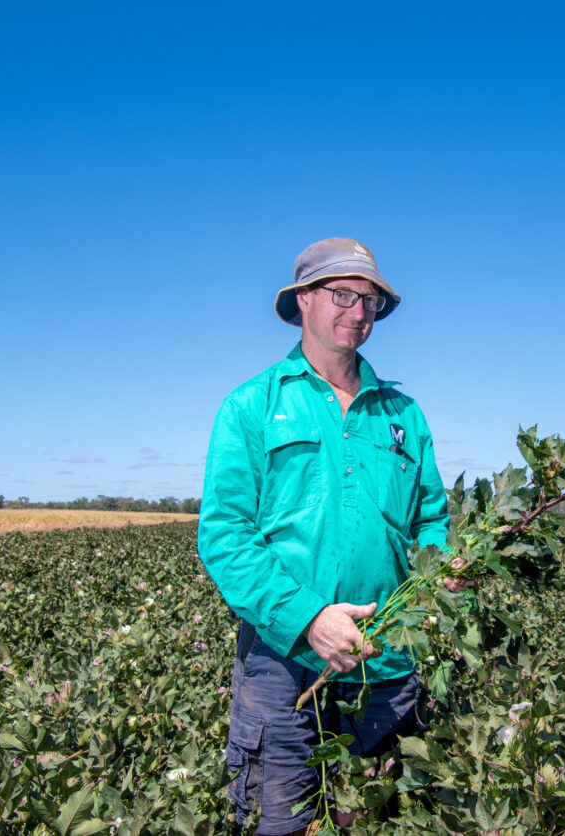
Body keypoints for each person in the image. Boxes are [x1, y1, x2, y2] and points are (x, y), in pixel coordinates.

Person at [198, 237, 451, 835]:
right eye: (342, 295)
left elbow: (432, 520)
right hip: (281, 666)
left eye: (371, 302)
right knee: (276, 823)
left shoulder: (403, 414)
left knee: (376, 822)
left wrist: (446, 568)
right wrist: (310, 619)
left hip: (384, 661)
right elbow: (225, 536)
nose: (359, 312)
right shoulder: (251, 406)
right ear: (304, 300)